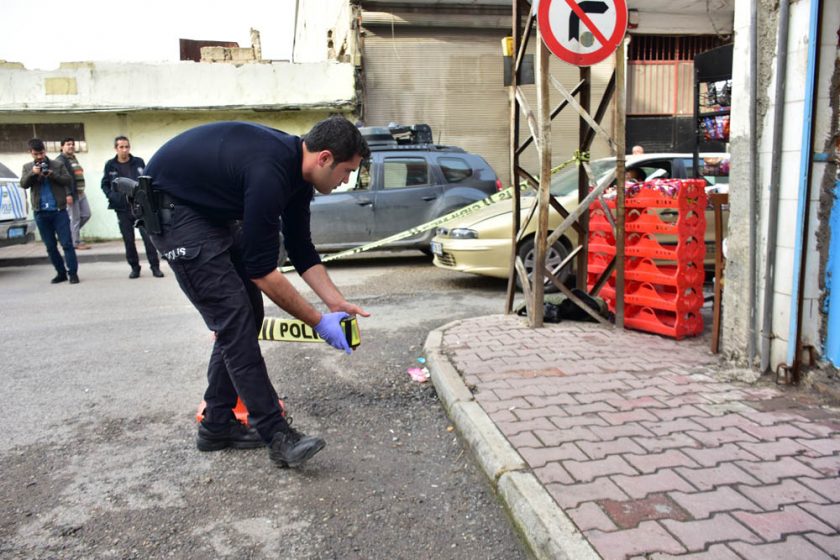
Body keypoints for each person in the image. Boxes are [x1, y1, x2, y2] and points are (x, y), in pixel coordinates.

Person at [144, 116, 371, 468]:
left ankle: (217, 425)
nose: (346, 182)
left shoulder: (298, 176)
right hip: (175, 213)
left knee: (249, 313)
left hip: (205, 212)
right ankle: (277, 435)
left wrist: (334, 301)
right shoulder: (270, 172)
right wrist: (317, 322)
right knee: (234, 318)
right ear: (324, 158)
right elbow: (262, 272)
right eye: (346, 171)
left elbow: (300, 246)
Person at [101, 136, 164, 278]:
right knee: (128, 240)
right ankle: (135, 268)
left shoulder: (139, 162)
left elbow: (147, 180)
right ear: (116, 148)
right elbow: (105, 184)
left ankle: (155, 267)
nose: (124, 150)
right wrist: (112, 196)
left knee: (149, 239)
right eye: (121, 147)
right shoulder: (110, 165)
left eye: (126, 147)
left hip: (140, 208)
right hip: (122, 209)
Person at [20, 138, 79, 284]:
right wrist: (33, 174)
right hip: (40, 212)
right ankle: (61, 273)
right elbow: (23, 184)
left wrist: (53, 175)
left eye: (41, 153)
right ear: (30, 153)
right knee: (50, 246)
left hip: (58, 211)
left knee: (67, 244)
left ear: (45, 151)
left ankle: (73, 273)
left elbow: (68, 180)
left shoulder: (57, 164)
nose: (39, 157)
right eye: (36, 154)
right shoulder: (27, 167)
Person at [55, 137, 92, 250]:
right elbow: (61, 180)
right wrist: (67, 194)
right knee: (74, 219)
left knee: (86, 214)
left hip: (81, 193)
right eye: (68, 144)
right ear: (62, 146)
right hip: (72, 194)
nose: (71, 146)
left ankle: (68, 235)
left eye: (72, 144)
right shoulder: (60, 160)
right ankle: (75, 242)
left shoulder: (73, 158)